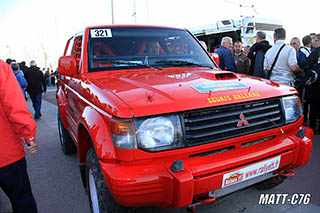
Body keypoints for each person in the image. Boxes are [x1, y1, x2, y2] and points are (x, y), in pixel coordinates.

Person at [0, 59, 38, 212]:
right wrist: (29, 137)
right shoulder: (1, 68)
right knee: (22, 201)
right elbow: (14, 107)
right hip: (5, 152)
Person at [300, 34, 320, 133]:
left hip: (314, 84)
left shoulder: (315, 52)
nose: (313, 42)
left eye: (315, 40)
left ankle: (312, 128)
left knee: (313, 107)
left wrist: (303, 64)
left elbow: (307, 64)